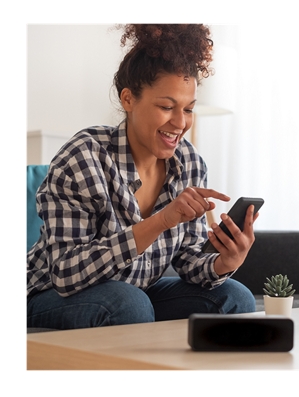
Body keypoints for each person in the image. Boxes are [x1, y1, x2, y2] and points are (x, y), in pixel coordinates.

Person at [27, 24, 257, 330]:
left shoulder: (189, 162)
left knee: (234, 298)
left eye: (188, 109)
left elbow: (188, 260)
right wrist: (160, 221)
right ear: (128, 99)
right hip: (49, 295)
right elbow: (67, 273)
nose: (180, 122)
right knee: (129, 303)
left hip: (136, 293)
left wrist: (224, 262)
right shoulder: (84, 156)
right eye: (166, 106)